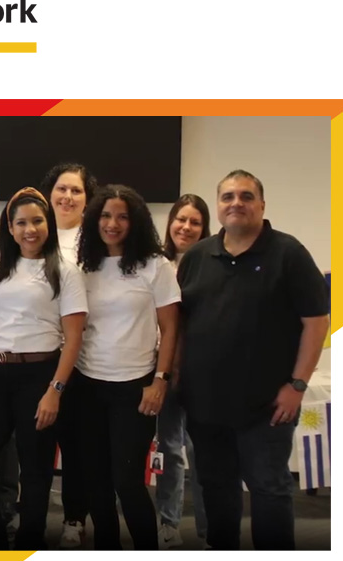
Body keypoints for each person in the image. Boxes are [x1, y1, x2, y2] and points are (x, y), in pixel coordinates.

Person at [176, 170, 329, 550]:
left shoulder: (288, 253)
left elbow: (317, 322)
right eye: (228, 197)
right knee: (215, 486)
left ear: (262, 205)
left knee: (269, 488)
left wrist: (297, 385)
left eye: (246, 196)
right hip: (206, 404)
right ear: (219, 205)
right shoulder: (197, 256)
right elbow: (179, 324)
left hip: (269, 405)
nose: (236, 203)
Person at [0, 187, 88, 550]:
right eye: (21, 223)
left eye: (37, 221)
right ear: (10, 228)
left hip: (40, 376)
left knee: (35, 470)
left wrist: (56, 390)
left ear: (47, 223)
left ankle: (28, 544)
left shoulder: (65, 272)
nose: (30, 229)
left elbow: (74, 337)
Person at [75, 184, 180, 550]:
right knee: (96, 482)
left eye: (122, 216)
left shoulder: (156, 265)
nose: (113, 223)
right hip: (87, 385)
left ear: (135, 221)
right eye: (105, 215)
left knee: (128, 482)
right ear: (94, 220)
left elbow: (170, 329)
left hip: (134, 388)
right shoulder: (83, 265)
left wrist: (160, 380)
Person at [39, 162, 99, 548]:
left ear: (87, 199)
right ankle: (28, 514)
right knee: (36, 443)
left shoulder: (95, 240)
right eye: (61, 189)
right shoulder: (31, 233)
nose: (67, 197)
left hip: (85, 358)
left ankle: (75, 518)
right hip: (38, 355)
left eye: (76, 191)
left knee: (77, 445)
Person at [156, 194, 211, 548]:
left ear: (205, 228)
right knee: (169, 448)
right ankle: (167, 523)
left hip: (203, 372)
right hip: (161, 371)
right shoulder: (155, 263)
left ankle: (211, 532)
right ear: (170, 222)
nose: (186, 227)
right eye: (181, 219)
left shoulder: (213, 264)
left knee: (203, 451)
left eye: (194, 222)